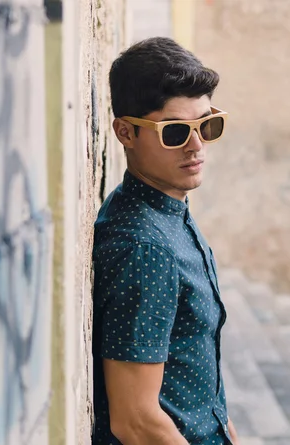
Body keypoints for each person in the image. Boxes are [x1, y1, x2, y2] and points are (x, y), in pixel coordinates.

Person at [91, 37, 240, 444]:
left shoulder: (168, 211)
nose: (197, 145)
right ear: (126, 132)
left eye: (207, 125)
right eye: (175, 132)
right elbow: (135, 420)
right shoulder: (146, 247)